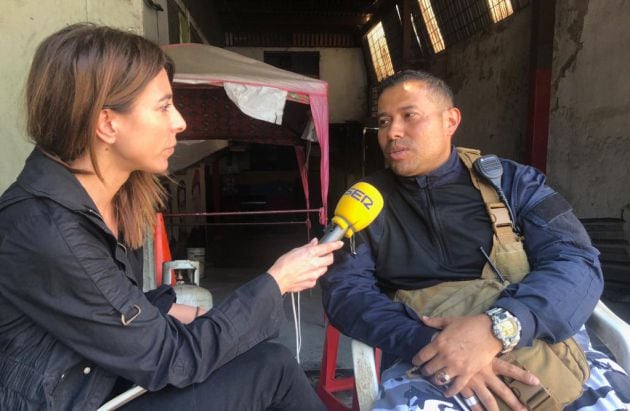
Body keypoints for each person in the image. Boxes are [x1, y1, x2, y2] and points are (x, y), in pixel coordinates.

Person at [0, 24, 343, 410]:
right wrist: (276, 282)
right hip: (71, 399)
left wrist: (173, 310)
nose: (180, 122)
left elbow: (101, 304)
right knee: (274, 370)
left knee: (264, 358)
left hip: (100, 379)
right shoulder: (48, 229)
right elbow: (170, 359)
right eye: (164, 106)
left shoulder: (108, 200)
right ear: (107, 123)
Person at [321, 70, 630, 410]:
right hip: (428, 360)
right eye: (383, 121)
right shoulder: (365, 203)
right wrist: (438, 345)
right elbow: (345, 292)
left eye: (409, 116)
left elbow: (576, 261)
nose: (392, 132)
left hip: (541, 341)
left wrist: (500, 327)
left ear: (450, 120)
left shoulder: (513, 182)